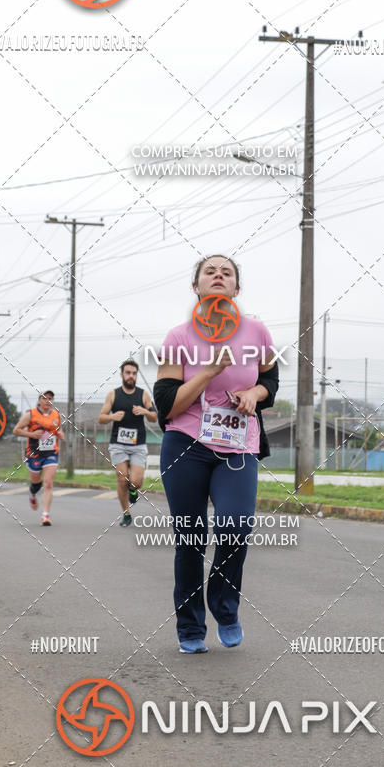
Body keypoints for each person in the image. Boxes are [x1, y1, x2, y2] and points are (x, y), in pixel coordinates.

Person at [154, 254, 278, 654]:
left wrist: (254, 393)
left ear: (236, 288)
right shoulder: (178, 337)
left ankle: (225, 608)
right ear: (197, 287)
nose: (219, 276)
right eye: (210, 272)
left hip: (238, 445)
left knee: (235, 526)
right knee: (190, 539)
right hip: (186, 443)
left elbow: (270, 379)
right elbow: (167, 405)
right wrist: (207, 371)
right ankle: (190, 627)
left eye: (227, 272)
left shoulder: (256, 331)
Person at [98, 360, 157, 527]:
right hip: (118, 443)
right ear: (122, 374)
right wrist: (112, 416)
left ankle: (133, 490)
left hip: (138, 444)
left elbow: (154, 417)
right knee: (122, 478)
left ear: (136, 375)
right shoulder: (113, 395)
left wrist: (146, 411)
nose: (131, 376)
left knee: (136, 482)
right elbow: (101, 418)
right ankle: (126, 514)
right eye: (128, 373)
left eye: (133, 373)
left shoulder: (143, 394)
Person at [13, 390, 65, 526]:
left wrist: (60, 435)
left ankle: (45, 515)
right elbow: (16, 430)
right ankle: (32, 494)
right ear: (39, 400)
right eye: (45, 398)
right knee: (36, 484)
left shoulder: (56, 415)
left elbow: (59, 431)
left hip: (51, 453)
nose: (48, 401)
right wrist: (32, 434)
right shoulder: (30, 414)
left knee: (48, 483)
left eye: (50, 398)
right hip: (34, 453)